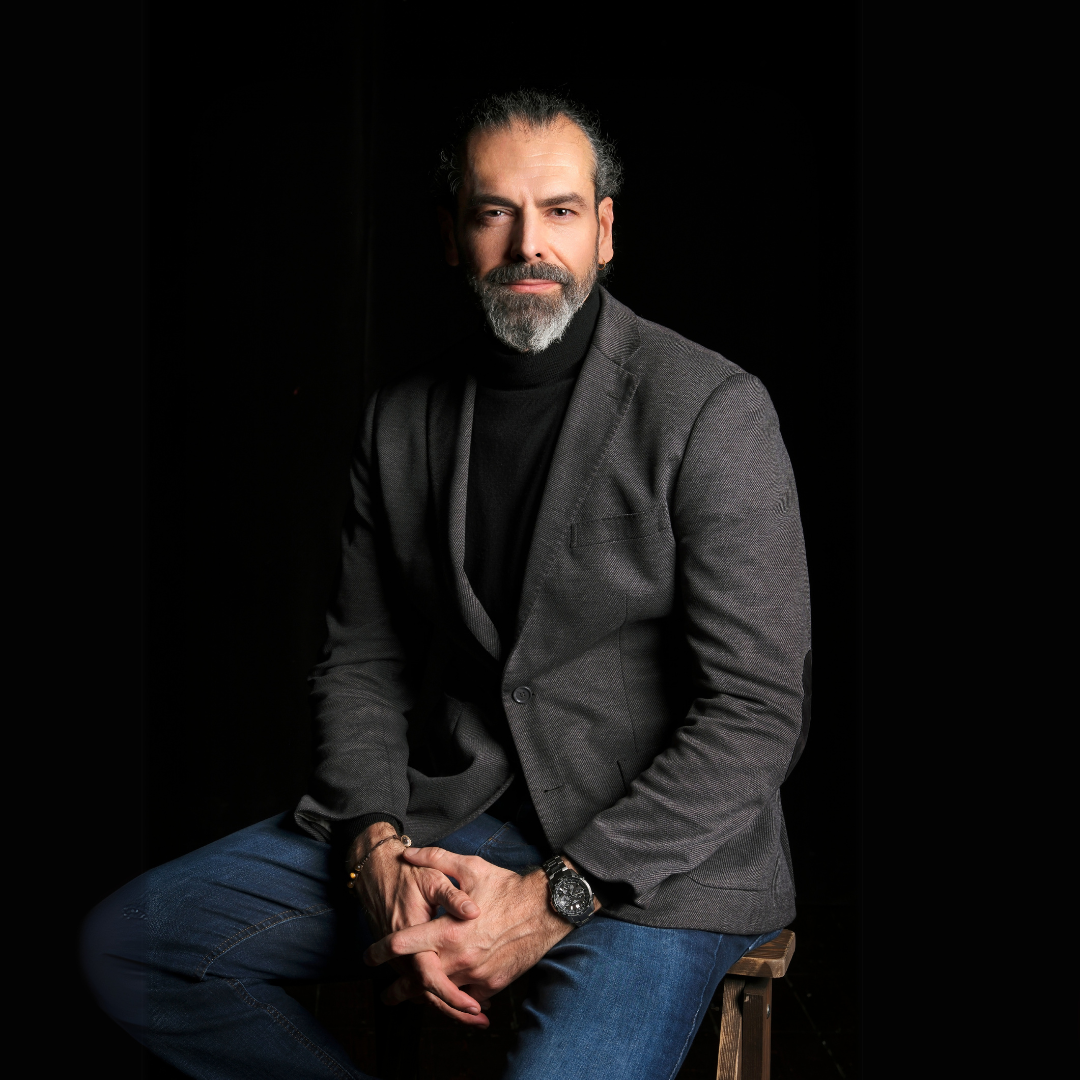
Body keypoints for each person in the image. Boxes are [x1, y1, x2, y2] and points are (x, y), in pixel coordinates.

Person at [82, 88, 812, 1079]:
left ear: (604, 231)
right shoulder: (401, 421)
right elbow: (364, 664)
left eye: (559, 210)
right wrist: (373, 846)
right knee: (137, 947)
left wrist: (555, 896)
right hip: (454, 814)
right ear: (450, 233)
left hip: (657, 857)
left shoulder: (710, 410)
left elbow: (757, 712)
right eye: (492, 211)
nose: (527, 244)